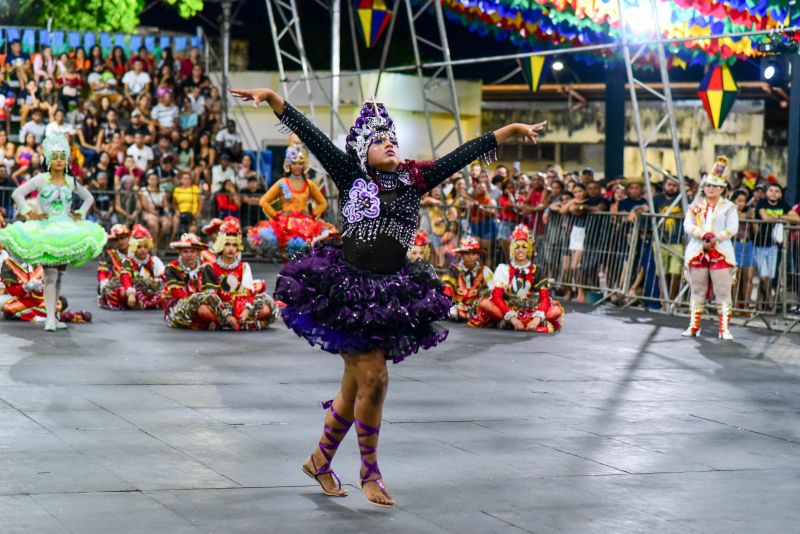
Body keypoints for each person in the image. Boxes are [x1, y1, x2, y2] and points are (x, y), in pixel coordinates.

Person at [231, 87, 545, 507]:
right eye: (380, 140)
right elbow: (311, 135)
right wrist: (272, 98)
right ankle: (369, 472)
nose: (390, 143)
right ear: (363, 150)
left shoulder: (416, 178)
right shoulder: (349, 173)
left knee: (356, 385)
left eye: (392, 138)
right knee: (374, 379)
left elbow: (462, 155)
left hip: (390, 291)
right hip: (345, 288)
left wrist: (508, 130)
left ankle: (319, 460)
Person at [0, 132, 106, 331]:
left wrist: (80, 214)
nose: (58, 161)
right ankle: (49, 318)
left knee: (58, 275)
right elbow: (17, 194)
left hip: (66, 229)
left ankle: (53, 315)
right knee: (49, 274)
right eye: (55, 157)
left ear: (66, 160)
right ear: (48, 160)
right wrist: (29, 213)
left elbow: (89, 198)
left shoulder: (70, 181)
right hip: (46, 230)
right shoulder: (41, 179)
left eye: (61, 157)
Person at [682, 156, 739, 340]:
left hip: (721, 252)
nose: (710, 189)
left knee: (722, 292)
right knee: (697, 290)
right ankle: (694, 326)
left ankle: (724, 329)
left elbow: (732, 228)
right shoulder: (695, 206)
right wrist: (701, 235)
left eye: (715, 186)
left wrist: (715, 238)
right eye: (707, 185)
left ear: (722, 188)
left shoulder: (729, 207)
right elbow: (687, 224)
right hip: (698, 250)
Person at [474, 224, 563, 332]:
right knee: (485, 304)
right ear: (512, 249)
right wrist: (512, 317)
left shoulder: (537, 270)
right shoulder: (503, 269)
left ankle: (532, 322)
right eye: (517, 247)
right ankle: (507, 320)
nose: (520, 250)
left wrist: (537, 318)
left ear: (529, 249)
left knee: (556, 311)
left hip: (529, 307)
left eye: (524, 247)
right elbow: (497, 296)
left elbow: (544, 297)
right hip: (508, 308)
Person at [249, 146, 333, 258]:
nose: (297, 166)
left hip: (305, 224)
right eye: (294, 163)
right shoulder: (282, 182)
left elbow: (323, 203)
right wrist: (276, 216)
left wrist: (312, 215)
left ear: (304, 165)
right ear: (289, 165)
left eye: (300, 163)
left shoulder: (309, 184)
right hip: (284, 224)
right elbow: (264, 201)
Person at [200, 217, 276, 330]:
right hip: (219, 307)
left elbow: (249, 293)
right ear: (221, 245)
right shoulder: (209, 267)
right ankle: (241, 323)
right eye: (227, 244)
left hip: (240, 306)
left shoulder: (244, 266)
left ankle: (224, 324)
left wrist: (246, 311)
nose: (231, 249)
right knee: (203, 310)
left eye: (234, 245)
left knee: (265, 309)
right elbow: (212, 297)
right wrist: (227, 315)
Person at [161, 233, 230, 330]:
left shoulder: (206, 267)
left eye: (192, 251)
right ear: (180, 253)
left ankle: (212, 319)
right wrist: (199, 304)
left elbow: (212, 292)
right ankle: (216, 321)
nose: (189, 255)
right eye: (185, 252)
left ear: (198, 253)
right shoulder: (172, 268)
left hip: (204, 303)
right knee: (203, 311)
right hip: (180, 305)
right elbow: (179, 295)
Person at [753, 183, 799, 308]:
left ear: (780, 194)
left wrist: (778, 216)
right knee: (763, 276)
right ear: (767, 193)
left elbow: (797, 218)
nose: (773, 193)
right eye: (771, 190)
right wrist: (785, 218)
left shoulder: (783, 204)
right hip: (760, 245)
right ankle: (770, 301)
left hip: (774, 246)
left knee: (770, 276)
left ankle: (761, 304)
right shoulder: (762, 203)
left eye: (776, 191)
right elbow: (765, 217)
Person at [441, 236, 494, 323]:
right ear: (461, 255)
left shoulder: (485, 270)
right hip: (457, 305)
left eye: (474, 254)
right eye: (467, 254)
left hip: (477, 307)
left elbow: (493, 289)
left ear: (478, 255)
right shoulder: (453, 269)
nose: (470, 257)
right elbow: (447, 288)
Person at [127, 224, 166, 310]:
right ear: (133, 248)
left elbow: (164, 276)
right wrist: (131, 292)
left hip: (153, 292)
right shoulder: (128, 262)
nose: (143, 249)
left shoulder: (154, 260)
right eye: (139, 247)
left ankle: (144, 304)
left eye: (145, 247)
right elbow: (125, 278)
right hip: (136, 292)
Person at [97, 224, 135, 310]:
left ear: (128, 238)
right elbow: (102, 272)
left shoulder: (136, 252)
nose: (120, 242)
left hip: (134, 283)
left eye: (123, 238)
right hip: (116, 284)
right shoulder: (109, 254)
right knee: (120, 293)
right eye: (117, 240)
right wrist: (104, 282)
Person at [1, 255, 47, 321]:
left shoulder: (43, 261)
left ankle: (29, 313)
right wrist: (25, 287)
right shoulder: (9, 263)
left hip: (41, 300)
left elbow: (51, 285)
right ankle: (41, 314)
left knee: (60, 303)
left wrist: (42, 287)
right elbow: (11, 290)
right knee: (6, 305)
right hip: (21, 300)